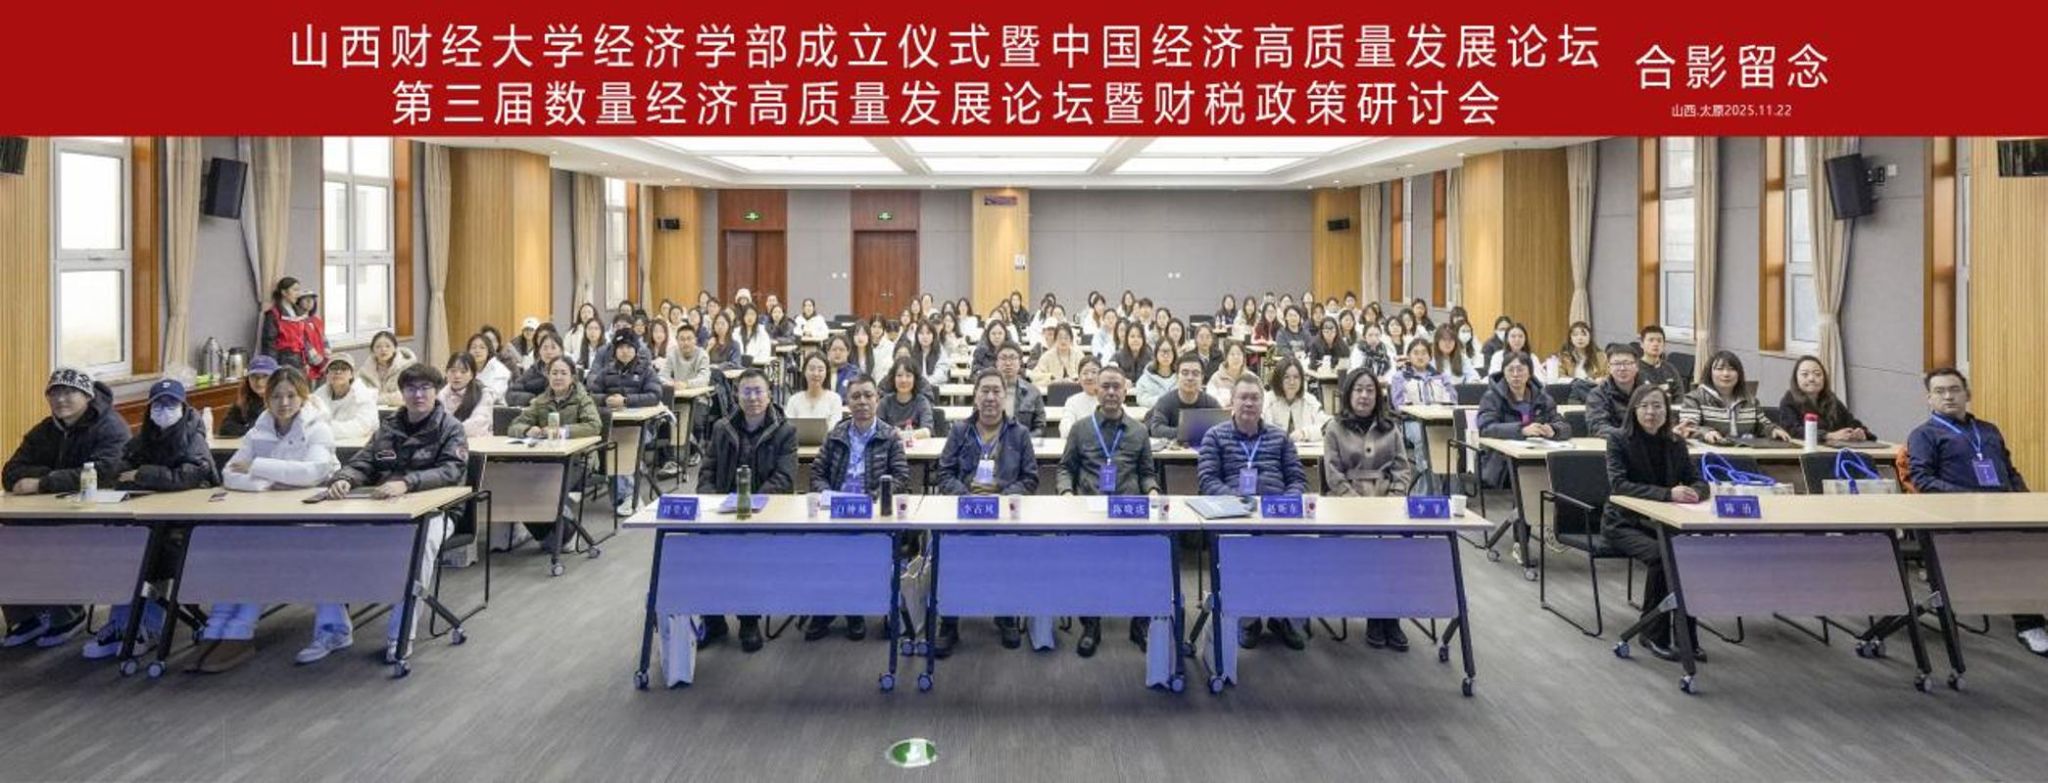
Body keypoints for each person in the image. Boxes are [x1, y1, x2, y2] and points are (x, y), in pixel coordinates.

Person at [313, 363, 469, 666]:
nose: (418, 395)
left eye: (425, 388)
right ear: (402, 393)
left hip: (437, 510)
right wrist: (345, 479)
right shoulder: (388, 427)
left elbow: (451, 470)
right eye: (411, 389)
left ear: (436, 392)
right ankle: (334, 630)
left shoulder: (450, 428)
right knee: (328, 539)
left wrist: (408, 482)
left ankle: (401, 636)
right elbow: (364, 461)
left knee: (419, 546)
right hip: (384, 507)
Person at [190, 367, 342, 671]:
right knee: (230, 551)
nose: (283, 403)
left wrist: (258, 467)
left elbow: (312, 473)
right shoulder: (258, 429)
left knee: (261, 555)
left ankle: (239, 630)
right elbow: (230, 474)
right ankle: (217, 627)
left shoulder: (318, 428)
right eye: (276, 396)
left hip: (312, 520)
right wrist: (268, 483)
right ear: (267, 399)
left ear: (303, 397)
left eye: (291, 396)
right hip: (266, 512)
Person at [1905, 368, 2043, 655]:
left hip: (2005, 511)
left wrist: (2025, 502)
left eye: (1954, 389)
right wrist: (1971, 499)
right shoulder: (1924, 435)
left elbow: (2009, 471)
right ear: (1929, 399)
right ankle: (2028, 623)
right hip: (1961, 517)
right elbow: (1923, 480)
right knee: (2017, 551)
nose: (1948, 396)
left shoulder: (1988, 430)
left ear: (1967, 394)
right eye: (1940, 391)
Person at [931, 370, 1040, 656]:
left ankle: (1005, 614)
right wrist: (966, 499)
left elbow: (1030, 478)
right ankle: (949, 620)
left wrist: (1002, 501)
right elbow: (944, 474)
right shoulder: (959, 431)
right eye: (985, 391)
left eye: (996, 391)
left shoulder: (1019, 434)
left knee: (1006, 553)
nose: (990, 397)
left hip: (1003, 511)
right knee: (949, 552)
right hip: (964, 508)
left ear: (1005, 397)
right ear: (975, 396)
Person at [1197, 373, 1309, 650]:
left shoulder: (1280, 437)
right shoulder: (1215, 436)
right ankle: (1248, 619)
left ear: (1262, 403)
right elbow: (1208, 480)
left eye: (1255, 398)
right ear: (1232, 402)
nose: (1249, 403)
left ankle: (1281, 617)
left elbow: (1297, 479)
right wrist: (1236, 503)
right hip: (1235, 516)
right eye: (1243, 397)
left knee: (1292, 549)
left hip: (1276, 516)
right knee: (1244, 549)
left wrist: (1285, 505)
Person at [1055, 365, 1160, 656]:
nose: (1111, 392)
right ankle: (1091, 624)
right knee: (1089, 560)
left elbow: (1147, 473)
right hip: (1090, 509)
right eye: (1106, 387)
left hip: (1129, 509)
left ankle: (1140, 623)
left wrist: (1152, 490)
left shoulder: (1139, 431)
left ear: (1126, 391)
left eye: (1116, 387)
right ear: (1096, 390)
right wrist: (1066, 493)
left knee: (1151, 555)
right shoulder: (1081, 429)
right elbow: (1065, 469)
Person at [692, 370, 798, 654]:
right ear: (737, 395)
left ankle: (748, 620)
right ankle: (713, 619)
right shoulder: (722, 428)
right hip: (723, 510)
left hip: (765, 512)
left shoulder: (785, 431)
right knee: (698, 547)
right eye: (746, 392)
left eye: (758, 391)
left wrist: (752, 504)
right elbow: (707, 471)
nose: (753, 398)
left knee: (747, 549)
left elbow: (784, 479)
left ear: (769, 394)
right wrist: (712, 502)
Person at [1603, 384, 1710, 662]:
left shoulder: (1675, 442)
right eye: (1645, 406)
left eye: (1658, 406)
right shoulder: (1618, 439)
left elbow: (1698, 480)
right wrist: (1667, 494)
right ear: (1634, 410)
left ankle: (1687, 637)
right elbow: (1619, 485)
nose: (1651, 412)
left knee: (1688, 554)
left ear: (1667, 411)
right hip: (1624, 523)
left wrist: (1696, 492)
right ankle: (1652, 634)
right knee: (1664, 557)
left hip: (1664, 523)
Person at [804, 373, 911, 643]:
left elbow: (901, 478)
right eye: (855, 396)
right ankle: (828, 607)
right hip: (836, 509)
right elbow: (816, 474)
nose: (862, 401)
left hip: (871, 511)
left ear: (877, 399)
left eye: (868, 395)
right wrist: (828, 495)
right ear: (847, 402)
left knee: (855, 546)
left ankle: (853, 609)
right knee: (824, 545)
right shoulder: (836, 434)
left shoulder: (890, 436)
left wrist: (871, 499)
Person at [1322, 367, 1417, 651]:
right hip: (1347, 504)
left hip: (1387, 503)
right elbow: (1333, 474)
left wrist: (1394, 499)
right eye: (1358, 390)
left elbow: (1402, 469)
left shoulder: (1391, 428)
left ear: (1378, 396)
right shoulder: (1334, 428)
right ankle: (1375, 614)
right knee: (1369, 549)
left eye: (1370, 390)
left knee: (1395, 550)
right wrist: (1356, 503)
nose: (1364, 396)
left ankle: (1391, 615)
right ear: (1348, 394)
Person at [508, 355, 604, 545]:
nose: (558, 377)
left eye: (563, 373)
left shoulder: (582, 399)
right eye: (554, 373)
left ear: (572, 377)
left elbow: (594, 425)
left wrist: (563, 431)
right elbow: (514, 426)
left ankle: (566, 534)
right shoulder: (541, 401)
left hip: (579, 460)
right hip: (547, 460)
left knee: (548, 492)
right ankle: (550, 537)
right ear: (548, 375)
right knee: (521, 492)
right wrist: (527, 430)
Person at [587, 328, 668, 512]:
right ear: (615, 350)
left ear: (636, 350)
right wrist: (605, 399)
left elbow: (654, 396)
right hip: (612, 427)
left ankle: (626, 496)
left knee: (621, 446)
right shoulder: (606, 372)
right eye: (621, 347)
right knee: (613, 445)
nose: (625, 351)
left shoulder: (646, 371)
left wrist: (626, 401)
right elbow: (591, 395)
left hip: (642, 428)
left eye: (629, 347)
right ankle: (626, 494)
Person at [1476, 353, 1572, 490]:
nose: (1515, 375)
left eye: (1520, 370)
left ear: (1530, 373)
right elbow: (1486, 427)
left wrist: (1553, 429)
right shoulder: (1492, 397)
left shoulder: (1543, 398)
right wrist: (1521, 430)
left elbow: (1564, 426)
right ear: (1504, 373)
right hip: (1502, 462)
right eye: (1510, 370)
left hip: (1539, 458)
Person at [1678, 351, 1789, 444]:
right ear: (1709, 373)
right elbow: (1687, 427)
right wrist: (1706, 432)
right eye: (1719, 369)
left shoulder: (1750, 401)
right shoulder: (1694, 398)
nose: (1726, 374)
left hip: (1745, 455)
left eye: (1731, 369)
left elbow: (1764, 425)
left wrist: (1773, 430)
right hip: (1709, 455)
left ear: (1739, 374)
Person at [1774, 355, 1872, 444]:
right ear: (1796, 379)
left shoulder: (1831, 398)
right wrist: (1829, 436)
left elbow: (1850, 421)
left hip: (1836, 450)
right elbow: (1792, 430)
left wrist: (1861, 432)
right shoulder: (1788, 400)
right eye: (1805, 374)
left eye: (1817, 374)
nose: (1811, 378)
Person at [260, 277, 326, 377]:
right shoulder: (274, 314)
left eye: (298, 290)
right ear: (284, 292)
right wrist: (271, 368)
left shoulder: (299, 313)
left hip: (300, 361)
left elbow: (304, 340)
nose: (298, 294)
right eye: (295, 290)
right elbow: (269, 343)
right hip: (283, 361)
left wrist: (315, 361)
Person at [1146, 354, 1221, 436]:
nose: (1190, 378)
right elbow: (1156, 429)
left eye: (1195, 373)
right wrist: (1187, 433)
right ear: (1177, 376)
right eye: (1185, 373)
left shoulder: (1211, 403)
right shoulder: (1165, 401)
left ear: (1202, 377)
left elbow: (1223, 428)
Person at [313, 353, 381, 440]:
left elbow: (361, 426)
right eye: (333, 368)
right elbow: (308, 421)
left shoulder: (363, 395)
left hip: (360, 445)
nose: (338, 372)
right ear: (327, 374)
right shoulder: (318, 396)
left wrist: (324, 429)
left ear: (351, 374)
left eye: (344, 368)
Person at [1584, 343, 1647, 438]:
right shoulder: (1598, 394)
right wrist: (1627, 435)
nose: (1622, 368)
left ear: (1637, 367)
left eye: (1627, 363)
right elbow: (1597, 426)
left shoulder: (1648, 393)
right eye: (1617, 364)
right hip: (1611, 443)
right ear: (1609, 368)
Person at [1263, 356, 1327, 441]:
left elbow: (1325, 427)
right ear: (1278, 379)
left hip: (1304, 449)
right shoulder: (1267, 400)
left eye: (1296, 377)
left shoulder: (1310, 401)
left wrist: (1305, 433)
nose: (1292, 382)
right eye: (1286, 377)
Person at [439, 353, 499, 440]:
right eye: (453, 371)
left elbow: (477, 425)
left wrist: (447, 431)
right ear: (446, 373)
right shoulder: (441, 395)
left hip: (478, 443)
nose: (457, 375)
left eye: (463, 372)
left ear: (472, 375)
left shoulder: (484, 394)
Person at [218, 355, 279, 438]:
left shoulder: (281, 401)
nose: (259, 381)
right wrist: (250, 431)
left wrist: (247, 429)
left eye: (265, 376)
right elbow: (225, 428)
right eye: (254, 376)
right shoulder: (245, 399)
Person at [995, 344, 1046, 435]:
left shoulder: (1033, 392)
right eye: (1003, 358)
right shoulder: (985, 391)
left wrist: (1023, 440)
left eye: (1012, 358)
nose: (1008, 363)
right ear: (996, 363)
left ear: (1020, 363)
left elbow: (1040, 427)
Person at [879, 358, 935, 439]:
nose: (903, 380)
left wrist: (900, 435)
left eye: (908, 376)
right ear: (893, 378)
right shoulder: (885, 402)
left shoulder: (922, 402)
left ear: (915, 379)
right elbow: (877, 430)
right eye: (899, 375)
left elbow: (927, 431)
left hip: (917, 445)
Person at [508, 332, 567, 407]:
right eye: (545, 348)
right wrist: (530, 399)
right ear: (539, 351)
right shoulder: (534, 370)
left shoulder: (568, 371)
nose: (549, 352)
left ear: (561, 351)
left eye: (553, 348)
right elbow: (511, 394)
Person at [362, 330, 416, 406]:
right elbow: (359, 396)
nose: (383, 350)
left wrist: (376, 399)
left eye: (388, 346)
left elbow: (404, 395)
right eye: (378, 347)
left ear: (395, 348)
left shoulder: (407, 368)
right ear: (372, 350)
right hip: (371, 410)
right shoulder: (365, 372)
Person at [1544, 321, 1605, 386]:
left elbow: (1608, 375)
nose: (1580, 338)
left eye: (1583, 334)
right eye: (1575, 335)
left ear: (1590, 337)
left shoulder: (1600, 356)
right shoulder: (1564, 357)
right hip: (1571, 389)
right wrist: (1574, 382)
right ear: (1570, 339)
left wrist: (1600, 380)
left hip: (1594, 389)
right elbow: (1560, 376)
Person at [1058, 357, 1104, 438]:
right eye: (1085, 373)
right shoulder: (1072, 401)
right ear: (1079, 378)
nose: (1089, 377)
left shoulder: (1110, 399)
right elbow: (1065, 431)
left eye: (1094, 372)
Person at [1637, 324, 1687, 395]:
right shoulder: (1636, 369)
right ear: (1642, 344)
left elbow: (1679, 394)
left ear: (1664, 344)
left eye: (1659, 341)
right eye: (1651, 340)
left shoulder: (1670, 369)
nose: (1655, 344)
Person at [465, 333, 513, 400]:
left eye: (482, 347)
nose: (477, 351)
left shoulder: (500, 370)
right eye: (473, 347)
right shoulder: (465, 367)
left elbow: (495, 395)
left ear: (489, 351)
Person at [1133, 341, 1179, 408]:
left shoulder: (1181, 377)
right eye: (1162, 351)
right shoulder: (1144, 379)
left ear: (1174, 354)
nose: (1166, 355)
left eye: (1169, 351)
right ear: (1156, 353)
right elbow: (1141, 400)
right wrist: (1164, 400)